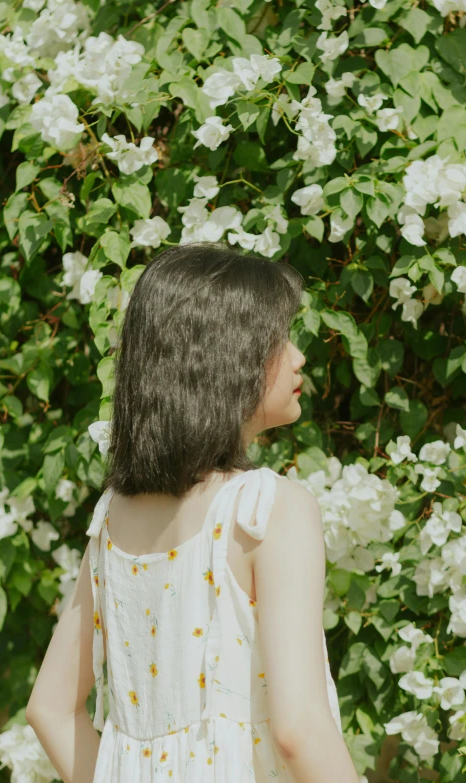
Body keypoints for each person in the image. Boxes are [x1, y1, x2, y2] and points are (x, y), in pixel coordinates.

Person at [26, 241, 360, 783]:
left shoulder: (112, 517)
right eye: (278, 338)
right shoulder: (268, 509)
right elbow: (300, 731)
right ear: (226, 353)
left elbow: (50, 709)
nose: (299, 356)